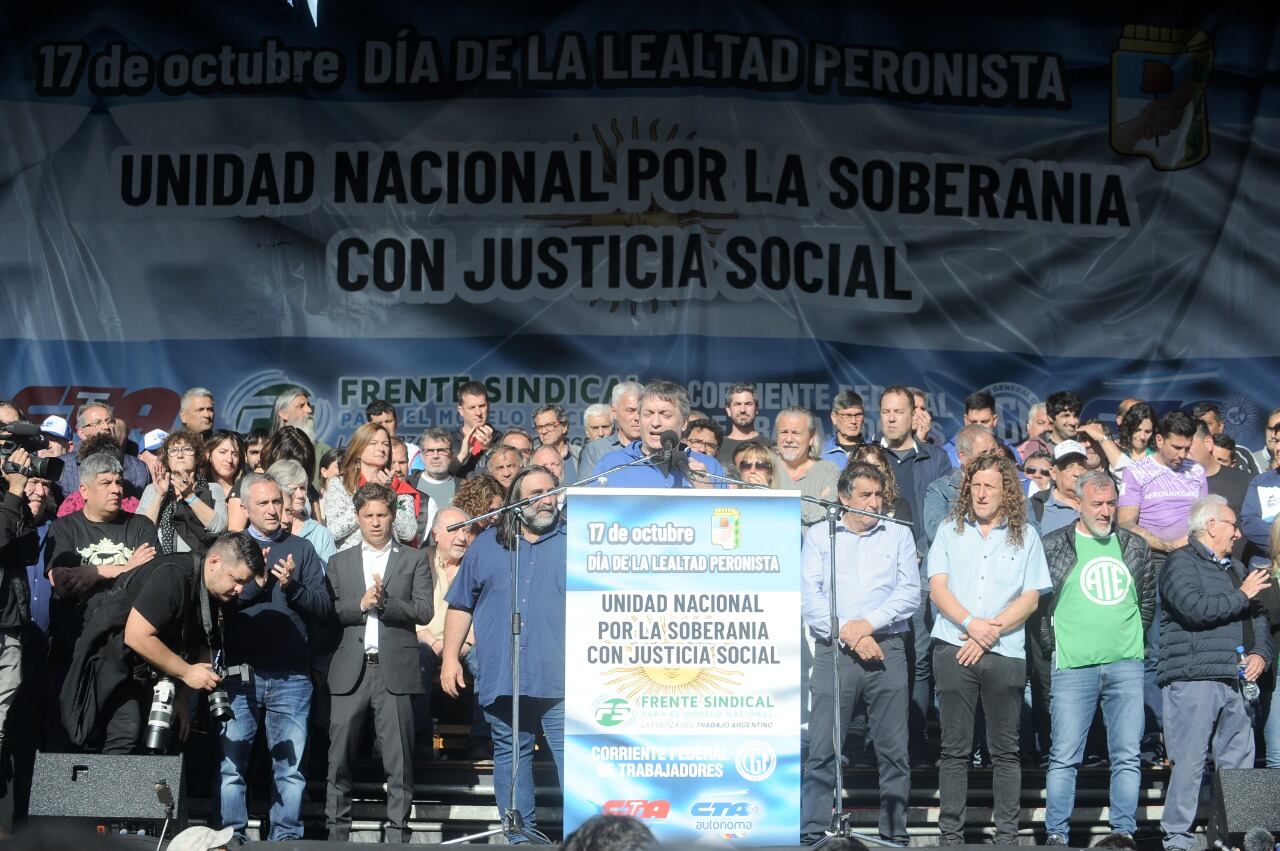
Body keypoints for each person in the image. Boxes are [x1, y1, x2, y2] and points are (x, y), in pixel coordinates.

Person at [927, 454, 1050, 846]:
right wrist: (970, 625)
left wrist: (989, 631)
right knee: (954, 749)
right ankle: (950, 836)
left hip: (1004, 650)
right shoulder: (949, 529)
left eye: (989, 487)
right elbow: (938, 588)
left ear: (1006, 492)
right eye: (975, 485)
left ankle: (1007, 837)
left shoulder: (1026, 536)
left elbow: (1030, 598)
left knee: (1005, 750)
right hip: (954, 646)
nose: (981, 494)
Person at [442, 466, 565, 839]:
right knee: (511, 754)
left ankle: (587, 832)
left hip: (562, 676)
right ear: (516, 502)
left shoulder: (576, 540)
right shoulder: (487, 545)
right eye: (536, 493)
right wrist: (449, 657)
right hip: (503, 672)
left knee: (573, 758)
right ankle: (520, 836)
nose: (547, 500)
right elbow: (461, 604)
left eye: (551, 492)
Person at [800, 463, 918, 846]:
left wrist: (865, 625)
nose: (874, 502)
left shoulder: (898, 534)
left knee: (893, 750)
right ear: (844, 498)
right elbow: (811, 598)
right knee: (823, 747)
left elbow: (909, 593)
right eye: (865, 495)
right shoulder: (822, 535)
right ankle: (814, 831)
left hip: (887, 647)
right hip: (835, 651)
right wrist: (849, 634)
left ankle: (894, 833)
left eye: (879, 495)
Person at [62, 533, 264, 755]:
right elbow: (137, 636)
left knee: (163, 740)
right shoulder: (174, 575)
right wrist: (186, 672)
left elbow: (204, 650)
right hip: (111, 664)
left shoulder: (216, 593)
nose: (240, 590)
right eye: (237, 580)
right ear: (215, 562)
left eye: (245, 583)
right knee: (126, 735)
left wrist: (181, 700)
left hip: (148, 671)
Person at [1040, 471, 1154, 845]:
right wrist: (1056, 645)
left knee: (1126, 756)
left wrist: (1130, 643)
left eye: (1110, 504)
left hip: (1126, 665)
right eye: (1097, 504)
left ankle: (1123, 834)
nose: (1105, 512)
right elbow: (1039, 611)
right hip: (1074, 666)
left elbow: (1147, 604)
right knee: (1064, 758)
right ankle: (1056, 835)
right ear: (1077, 503)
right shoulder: (1054, 545)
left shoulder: (1134, 546)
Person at [217, 473, 331, 843]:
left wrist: (292, 588)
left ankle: (285, 839)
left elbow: (324, 605)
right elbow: (219, 605)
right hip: (241, 671)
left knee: (290, 769)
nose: (271, 509)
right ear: (245, 507)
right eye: (263, 503)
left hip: (291, 675)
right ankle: (231, 837)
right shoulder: (231, 547)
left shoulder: (301, 548)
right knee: (233, 765)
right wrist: (257, 586)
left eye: (277, 502)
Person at [1158, 495, 1272, 851]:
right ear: (1211, 526)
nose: (1238, 533)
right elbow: (1195, 609)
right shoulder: (1179, 563)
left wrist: (1261, 654)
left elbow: (1260, 618)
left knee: (1241, 763)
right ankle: (1178, 839)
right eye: (1232, 525)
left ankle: (1238, 840)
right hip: (1194, 678)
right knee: (1189, 764)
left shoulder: (1236, 569)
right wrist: (1241, 595)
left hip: (1238, 680)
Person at [324, 483, 432, 844]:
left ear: (393, 516)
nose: (375, 522)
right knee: (338, 758)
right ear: (357, 518)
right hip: (350, 670)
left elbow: (424, 610)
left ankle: (398, 834)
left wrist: (385, 602)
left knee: (398, 761)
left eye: (381, 515)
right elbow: (332, 613)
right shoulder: (339, 562)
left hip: (395, 672)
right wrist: (361, 603)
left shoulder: (413, 559)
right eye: (368, 515)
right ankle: (337, 834)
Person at [43, 452, 159, 751]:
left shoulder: (141, 526)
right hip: (75, 653)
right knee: (73, 742)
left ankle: (112, 800)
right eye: (105, 482)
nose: (116, 489)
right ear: (84, 490)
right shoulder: (65, 528)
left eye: (119, 482)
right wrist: (123, 569)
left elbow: (150, 581)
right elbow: (62, 583)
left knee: (125, 738)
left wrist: (95, 573)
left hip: (126, 655)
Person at [413, 507, 484, 759]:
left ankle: (482, 739)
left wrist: (464, 643)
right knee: (414, 659)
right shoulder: (417, 561)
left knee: (487, 663)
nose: (462, 537)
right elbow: (409, 609)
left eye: (466, 530)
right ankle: (420, 738)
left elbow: (486, 612)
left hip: (468, 642)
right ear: (435, 534)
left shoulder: (477, 565)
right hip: (426, 641)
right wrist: (431, 641)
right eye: (454, 530)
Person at [592, 380, 725, 489]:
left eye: (666, 415)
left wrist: (707, 490)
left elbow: (729, 517)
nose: (655, 422)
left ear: (684, 422)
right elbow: (588, 513)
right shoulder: (611, 464)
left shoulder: (709, 466)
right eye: (648, 414)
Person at [322, 423, 419, 552]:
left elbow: (408, 533)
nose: (381, 449)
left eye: (385, 444)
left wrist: (389, 493)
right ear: (359, 448)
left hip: (390, 564)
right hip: (352, 562)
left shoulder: (398, 486)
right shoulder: (341, 484)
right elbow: (333, 532)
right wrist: (367, 495)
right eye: (373, 443)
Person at [0, 448, 39, 755]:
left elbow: (28, 552)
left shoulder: (12, 497)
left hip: (10, 622)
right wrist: (14, 491)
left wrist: (16, 497)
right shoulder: (11, 493)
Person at [138, 430, 227, 558]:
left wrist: (190, 497)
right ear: (167, 459)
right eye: (173, 451)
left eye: (187, 449)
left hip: (197, 564)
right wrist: (159, 496)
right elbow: (140, 531)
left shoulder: (213, 489)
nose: (180, 455)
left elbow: (220, 527)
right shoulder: (152, 489)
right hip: (158, 565)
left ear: (197, 457)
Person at [56, 404, 151, 507]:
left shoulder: (139, 469)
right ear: (82, 433)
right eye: (97, 423)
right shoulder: (62, 467)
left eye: (109, 422)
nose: (106, 427)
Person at [923, 425, 998, 548]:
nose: (991, 458)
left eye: (993, 452)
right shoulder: (940, 490)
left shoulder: (1008, 487)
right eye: (984, 453)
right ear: (963, 457)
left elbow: (1029, 529)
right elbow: (936, 533)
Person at [773, 407, 842, 526]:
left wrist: (779, 501)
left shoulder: (828, 470)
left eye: (796, 433)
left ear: (811, 438)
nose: (789, 439)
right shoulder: (764, 467)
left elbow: (826, 514)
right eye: (784, 432)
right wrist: (814, 502)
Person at [268, 459, 336, 566]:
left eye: (303, 488)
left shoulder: (320, 534)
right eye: (294, 489)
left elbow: (329, 576)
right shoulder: (265, 529)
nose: (300, 495)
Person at [577, 381, 643, 478]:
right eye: (630, 410)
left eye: (641, 410)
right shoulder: (595, 450)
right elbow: (586, 491)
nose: (637, 417)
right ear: (614, 412)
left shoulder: (656, 448)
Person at [271, 386, 332, 486]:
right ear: (284, 414)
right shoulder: (269, 450)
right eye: (301, 406)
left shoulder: (324, 452)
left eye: (308, 405)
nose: (309, 410)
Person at [943, 391, 1021, 468]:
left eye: (984, 422)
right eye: (973, 422)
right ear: (966, 420)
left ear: (995, 420)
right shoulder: (946, 453)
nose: (978, 427)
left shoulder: (1009, 451)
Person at [1190, 420, 1251, 518]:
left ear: (1208, 443)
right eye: (1178, 447)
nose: (1182, 451)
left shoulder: (1246, 481)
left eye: (1188, 445)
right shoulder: (1173, 484)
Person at [407, 427, 457, 542]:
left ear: (451, 454)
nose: (435, 456)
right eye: (429, 451)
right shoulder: (409, 485)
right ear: (421, 455)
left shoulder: (464, 488)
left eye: (441, 450)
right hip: (417, 556)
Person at [1032, 440, 1088, 536]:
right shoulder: (1035, 506)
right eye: (1069, 467)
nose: (1077, 473)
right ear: (1053, 473)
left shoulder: (1099, 503)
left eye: (1081, 466)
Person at [1193, 401, 1259, 478]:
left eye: (1207, 424)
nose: (1202, 429)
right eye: (1198, 425)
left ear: (1220, 425)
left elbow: (1259, 484)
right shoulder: (1188, 456)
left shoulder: (1241, 453)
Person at [1090, 402, 1156, 475]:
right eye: (1137, 430)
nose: (1142, 437)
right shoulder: (1113, 451)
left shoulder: (1157, 458)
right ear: (1129, 427)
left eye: (1147, 431)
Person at [450, 381, 497, 480]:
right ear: (461, 410)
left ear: (488, 406)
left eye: (482, 406)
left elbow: (507, 475)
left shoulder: (500, 439)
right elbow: (441, 479)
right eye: (472, 407)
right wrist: (462, 455)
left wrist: (490, 450)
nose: (478, 412)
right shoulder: (449, 442)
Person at [718, 382, 772, 466]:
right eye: (737, 404)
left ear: (756, 409)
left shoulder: (770, 446)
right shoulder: (718, 447)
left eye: (748, 404)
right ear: (728, 410)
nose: (742, 410)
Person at [205, 430, 246, 533]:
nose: (229, 460)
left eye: (235, 454)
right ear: (208, 455)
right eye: (223, 452)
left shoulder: (247, 487)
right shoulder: (200, 487)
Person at [367, 399, 421, 471]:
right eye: (379, 423)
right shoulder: (362, 452)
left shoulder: (412, 451)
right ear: (369, 426)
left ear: (396, 422)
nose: (385, 427)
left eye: (388, 421)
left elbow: (415, 480)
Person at [821, 390, 866, 469]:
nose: (853, 421)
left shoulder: (874, 452)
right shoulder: (821, 453)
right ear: (834, 417)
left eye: (858, 415)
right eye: (847, 415)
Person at [533, 404, 578, 482]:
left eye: (549, 425)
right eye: (540, 427)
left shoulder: (579, 455)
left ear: (564, 427)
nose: (544, 431)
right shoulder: (531, 455)